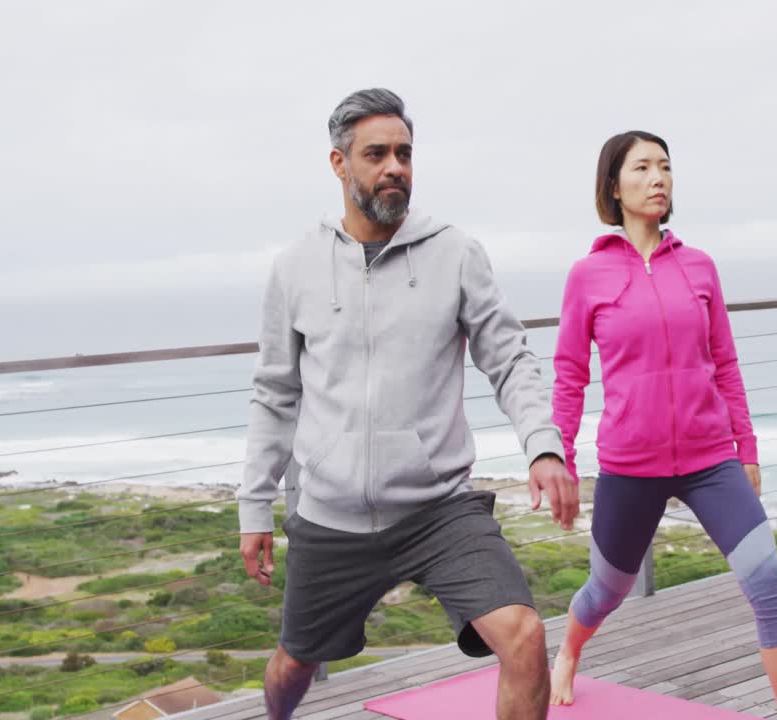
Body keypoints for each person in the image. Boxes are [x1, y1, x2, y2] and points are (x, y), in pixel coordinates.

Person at [235, 88, 578, 720]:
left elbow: (508, 358)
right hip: (331, 517)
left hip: (437, 511)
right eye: (377, 154)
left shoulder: (455, 252)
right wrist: (254, 504)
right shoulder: (295, 267)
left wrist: (543, 445)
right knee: (293, 667)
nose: (395, 166)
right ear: (340, 165)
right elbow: (275, 392)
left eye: (404, 153)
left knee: (525, 637)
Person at [548, 130, 777, 719]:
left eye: (665, 166)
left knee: (767, 582)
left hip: (710, 457)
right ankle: (568, 650)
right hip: (631, 464)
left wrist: (748, 447)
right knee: (606, 592)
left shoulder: (699, 266)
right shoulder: (588, 275)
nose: (658, 177)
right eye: (642, 168)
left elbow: (726, 362)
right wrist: (561, 456)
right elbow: (568, 374)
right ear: (614, 186)